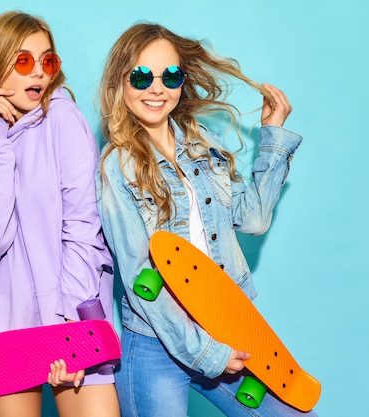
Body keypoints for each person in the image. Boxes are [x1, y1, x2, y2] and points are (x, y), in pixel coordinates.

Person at [95, 22, 317, 417]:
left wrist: (272, 135)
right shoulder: (118, 166)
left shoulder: (202, 147)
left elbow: (253, 220)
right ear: (119, 82)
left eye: (171, 76)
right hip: (156, 345)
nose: (157, 88)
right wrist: (206, 353)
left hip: (226, 327)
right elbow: (139, 279)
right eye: (142, 76)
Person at [0, 11, 120, 417]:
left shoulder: (62, 118)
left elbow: (83, 227)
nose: (39, 73)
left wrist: (73, 331)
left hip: (73, 311)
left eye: (48, 61)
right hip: (9, 318)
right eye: (24, 61)